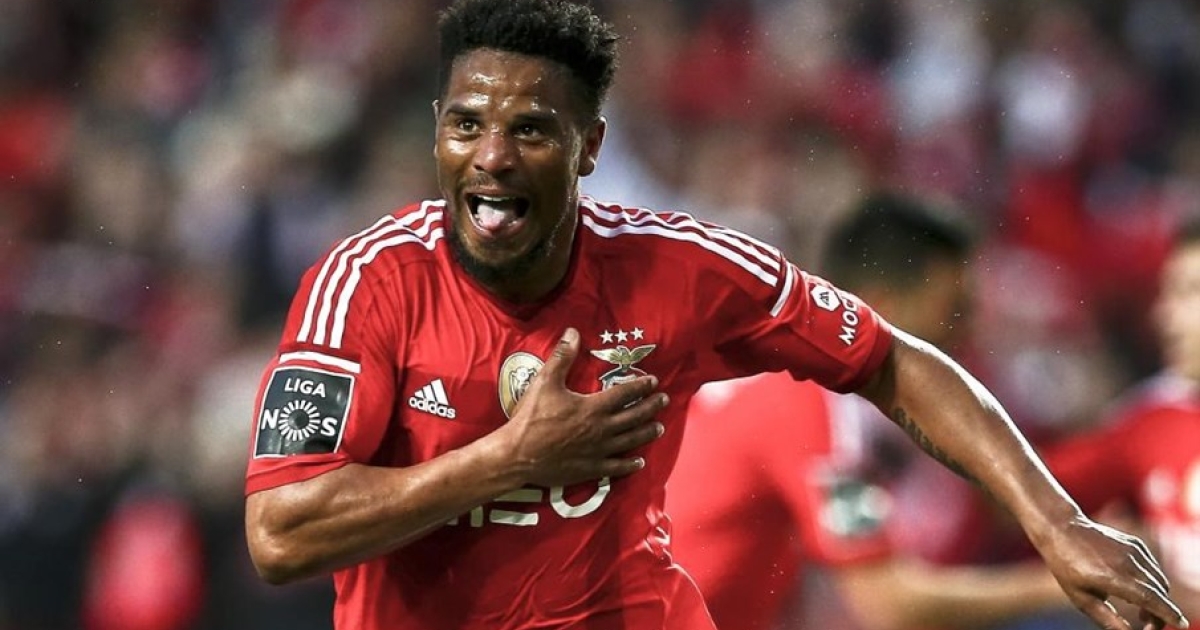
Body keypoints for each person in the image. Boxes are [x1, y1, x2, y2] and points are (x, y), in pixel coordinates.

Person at [241, 1, 1188, 629]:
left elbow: (891, 358)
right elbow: (280, 534)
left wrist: (1057, 526)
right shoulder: (363, 285)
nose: (491, 155)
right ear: (437, 131)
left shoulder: (685, 269)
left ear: (589, 148)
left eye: (530, 129)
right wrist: (511, 460)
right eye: (466, 124)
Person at [667, 192, 1073, 630]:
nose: (968, 332)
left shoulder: (792, 379)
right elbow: (891, 606)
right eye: (953, 312)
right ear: (880, 308)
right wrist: (1056, 585)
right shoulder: (811, 400)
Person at [1041, 217, 1200, 626]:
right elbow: (1033, 488)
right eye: (1166, 292)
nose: (1164, 314)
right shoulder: (1149, 420)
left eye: (1189, 291)